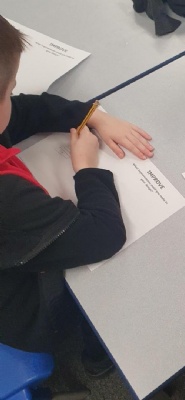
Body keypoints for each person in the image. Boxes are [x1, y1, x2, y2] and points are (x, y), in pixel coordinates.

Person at [0, 15, 152, 377]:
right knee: (107, 283)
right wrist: (85, 168)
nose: (13, 96)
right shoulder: (6, 199)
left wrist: (90, 114)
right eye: (7, 91)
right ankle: (99, 355)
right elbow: (103, 235)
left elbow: (23, 112)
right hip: (19, 309)